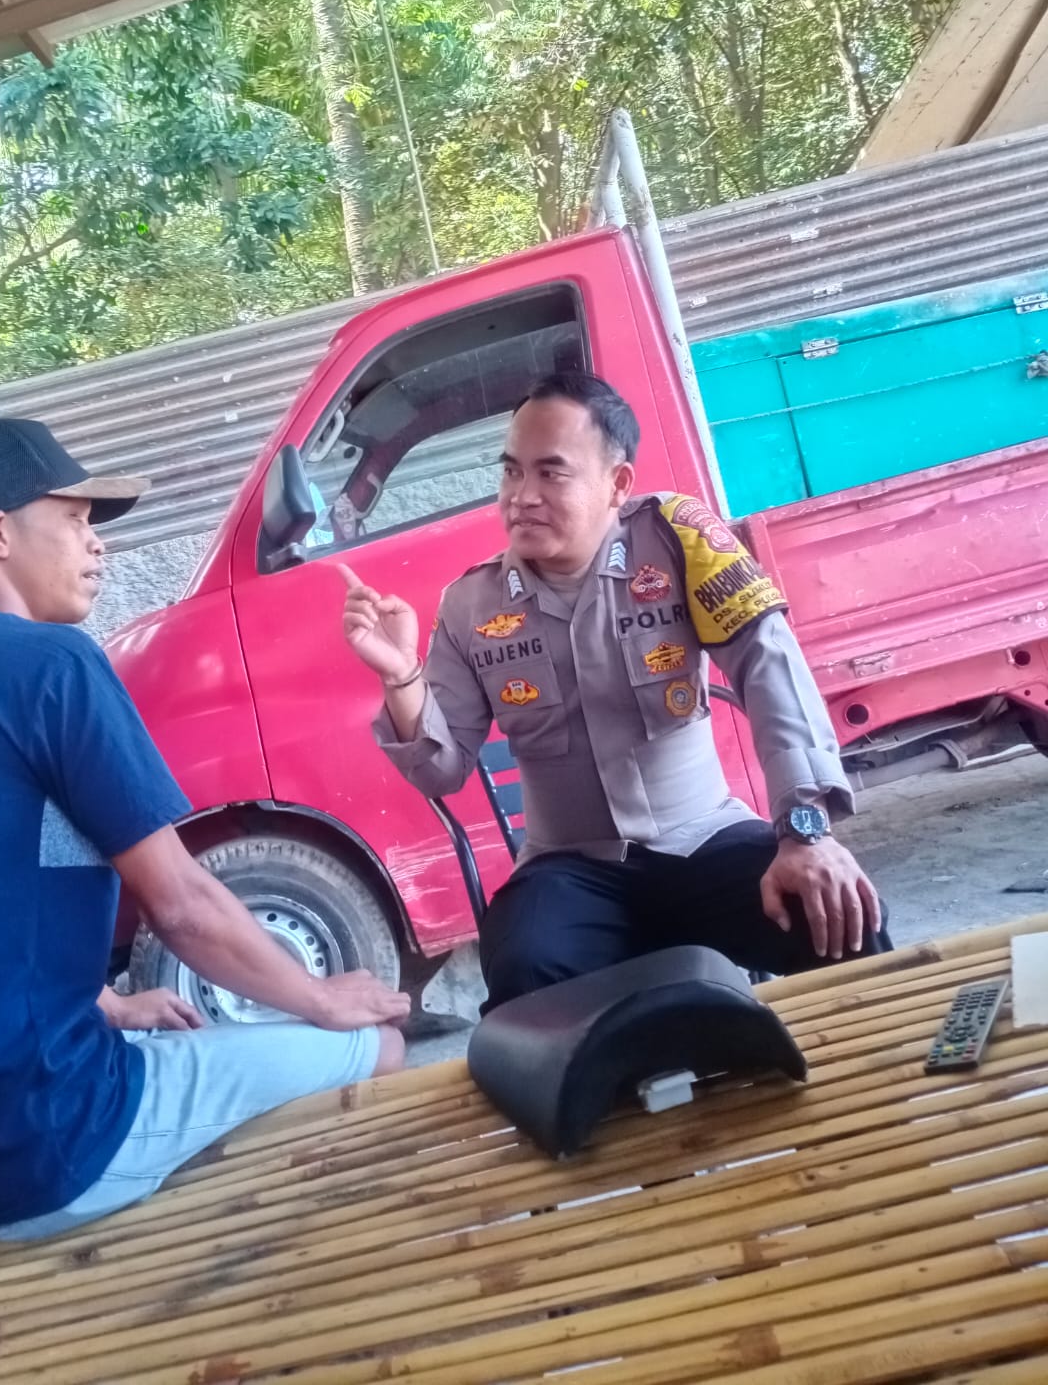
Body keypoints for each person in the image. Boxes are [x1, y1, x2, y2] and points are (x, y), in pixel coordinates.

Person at [0, 418, 407, 1241]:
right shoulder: (50, 663)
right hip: (42, 1149)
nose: (97, 543)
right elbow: (180, 904)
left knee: (188, 1045)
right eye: (74, 519)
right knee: (380, 1047)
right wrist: (322, 996)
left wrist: (106, 1002)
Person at [340, 371, 890, 1012]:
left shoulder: (680, 541)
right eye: (512, 472)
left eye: (552, 473)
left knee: (844, 920)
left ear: (618, 484)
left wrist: (804, 830)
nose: (522, 497)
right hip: (570, 869)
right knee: (525, 974)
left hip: (704, 839)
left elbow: (771, 672)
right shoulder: (470, 605)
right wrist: (400, 674)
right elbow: (441, 770)